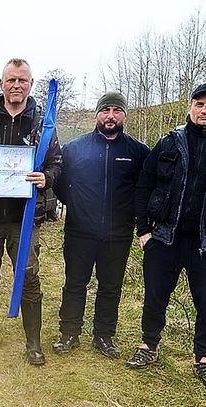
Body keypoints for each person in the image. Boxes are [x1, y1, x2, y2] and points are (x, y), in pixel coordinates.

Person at [0, 58, 62, 365]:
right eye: (11, 80)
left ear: (31, 84)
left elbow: (57, 162)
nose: (16, 85)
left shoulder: (44, 122)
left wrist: (48, 178)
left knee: (29, 276)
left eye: (22, 80)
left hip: (26, 217)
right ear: (1, 83)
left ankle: (33, 342)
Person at [53, 92, 150, 358]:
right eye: (105, 110)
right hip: (79, 232)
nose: (110, 116)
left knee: (110, 286)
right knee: (75, 282)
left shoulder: (139, 152)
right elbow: (61, 186)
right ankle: (69, 332)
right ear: (97, 114)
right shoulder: (75, 149)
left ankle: (104, 336)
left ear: (124, 115)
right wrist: (78, 207)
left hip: (117, 234)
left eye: (116, 111)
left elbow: (144, 190)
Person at [127, 83, 206, 386]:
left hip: (202, 243)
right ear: (190, 106)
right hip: (164, 237)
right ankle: (149, 345)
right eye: (199, 103)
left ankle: (202, 357)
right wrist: (144, 230)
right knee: (155, 295)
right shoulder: (170, 142)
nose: (204, 110)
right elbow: (144, 185)